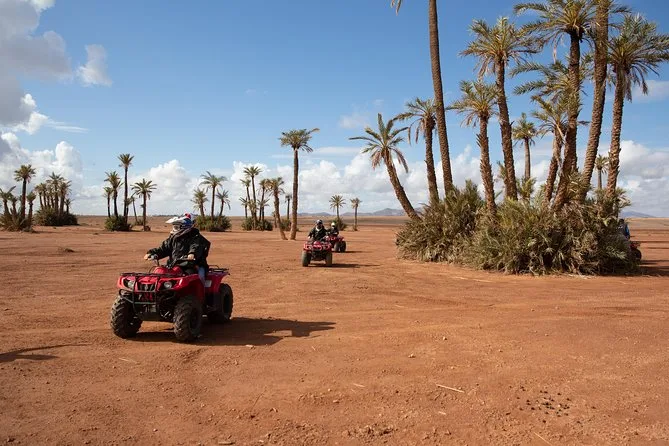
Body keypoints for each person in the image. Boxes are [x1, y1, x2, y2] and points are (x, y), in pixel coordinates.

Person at [144, 214, 210, 284]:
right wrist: (152, 253)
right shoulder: (173, 239)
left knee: (196, 278)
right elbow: (164, 249)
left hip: (192, 266)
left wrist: (192, 253)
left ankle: (202, 290)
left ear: (184, 227)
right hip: (173, 266)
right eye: (174, 227)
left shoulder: (195, 237)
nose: (174, 229)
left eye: (176, 227)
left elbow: (196, 246)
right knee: (159, 274)